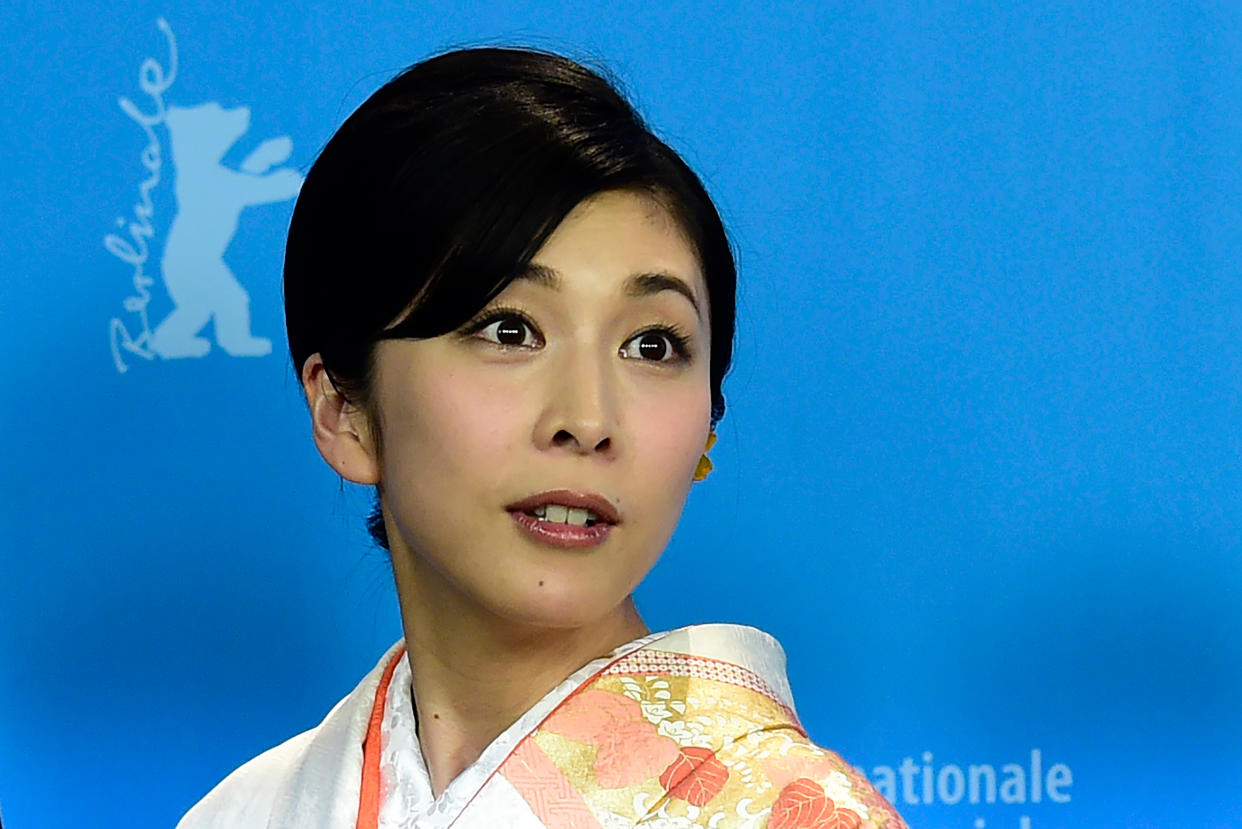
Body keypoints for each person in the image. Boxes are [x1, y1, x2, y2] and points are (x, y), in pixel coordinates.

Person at [178, 47, 907, 829]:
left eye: (652, 345)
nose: (588, 420)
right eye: (510, 328)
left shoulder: (785, 813)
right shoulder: (247, 812)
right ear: (344, 410)